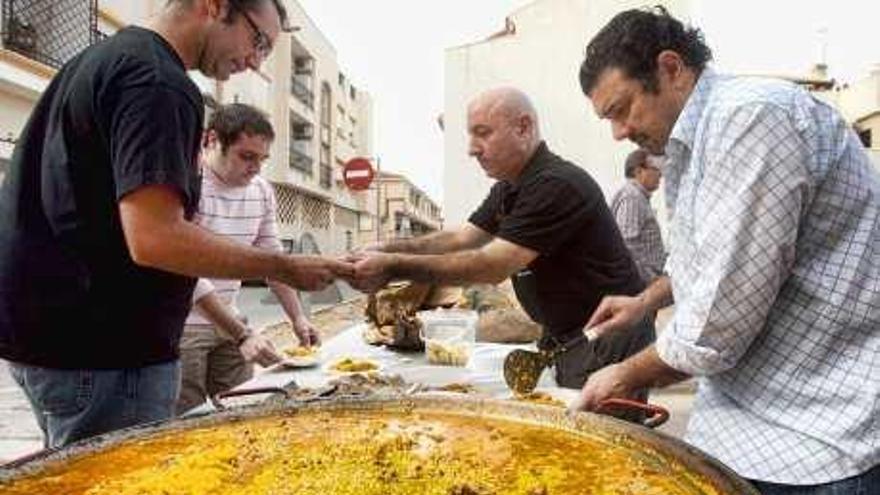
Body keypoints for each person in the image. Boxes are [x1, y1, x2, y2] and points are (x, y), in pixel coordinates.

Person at [0, 0, 352, 448]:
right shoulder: (159, 82)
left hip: (51, 345)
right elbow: (155, 237)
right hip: (107, 357)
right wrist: (283, 267)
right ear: (213, 5)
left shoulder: (102, 61)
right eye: (258, 41)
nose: (254, 62)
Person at [574, 6, 879, 493]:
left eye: (621, 109)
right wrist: (644, 303)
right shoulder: (689, 145)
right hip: (743, 422)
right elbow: (702, 258)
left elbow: (720, 323)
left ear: (670, 69)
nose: (619, 132)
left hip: (817, 436)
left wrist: (625, 373)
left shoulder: (751, 118)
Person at [350, 87, 654, 397]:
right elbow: (460, 237)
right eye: (470, 136)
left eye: (482, 133)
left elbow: (493, 264)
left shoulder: (556, 184)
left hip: (606, 337)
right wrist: (387, 248)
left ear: (523, 127)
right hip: (567, 335)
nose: (472, 149)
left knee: (598, 432)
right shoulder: (510, 187)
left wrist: (392, 267)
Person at [175, 103, 321, 415]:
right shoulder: (188, 182)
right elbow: (184, 268)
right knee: (187, 424)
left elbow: (272, 261)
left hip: (232, 319)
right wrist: (241, 334)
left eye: (262, 159)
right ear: (212, 140)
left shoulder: (262, 190)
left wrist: (298, 318)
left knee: (242, 415)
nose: (255, 167)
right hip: (184, 327)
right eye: (247, 156)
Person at [609, 149, 666, 284]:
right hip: (643, 285)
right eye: (656, 169)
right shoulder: (632, 198)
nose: (661, 175)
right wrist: (652, 280)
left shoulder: (635, 196)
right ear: (639, 171)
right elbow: (627, 248)